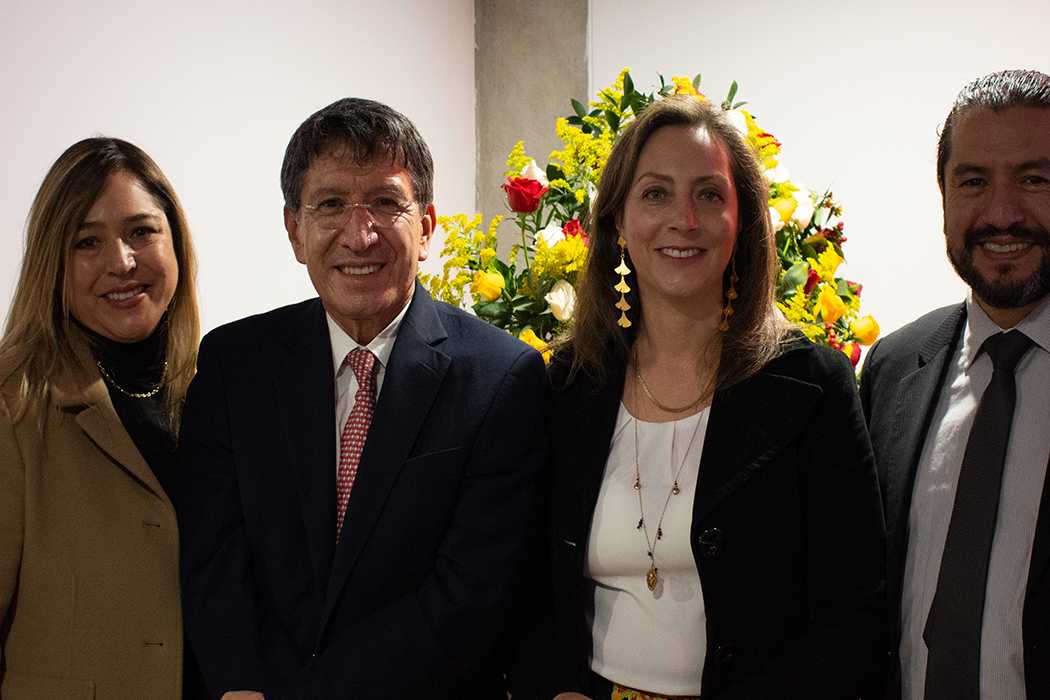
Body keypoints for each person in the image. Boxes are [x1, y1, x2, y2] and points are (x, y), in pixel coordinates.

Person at [507, 97, 887, 700]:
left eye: (710, 194)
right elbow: (524, 591)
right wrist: (556, 689)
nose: (684, 218)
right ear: (618, 222)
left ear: (743, 221)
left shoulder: (813, 387)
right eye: (655, 193)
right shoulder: (568, 384)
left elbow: (856, 617)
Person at [176, 97, 547, 699]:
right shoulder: (233, 365)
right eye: (329, 205)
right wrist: (244, 684)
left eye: (385, 202)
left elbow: (468, 596)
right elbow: (212, 558)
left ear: (426, 228)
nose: (360, 232)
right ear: (294, 230)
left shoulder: (502, 378)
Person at [860, 69, 1050, 700]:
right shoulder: (893, 367)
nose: (1003, 213)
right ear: (942, 195)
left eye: (1035, 179)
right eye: (973, 182)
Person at [0, 137, 201, 698]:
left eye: (142, 231)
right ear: (52, 262)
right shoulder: (12, 402)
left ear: (175, 241)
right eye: (88, 241)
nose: (122, 262)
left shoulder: (215, 392)